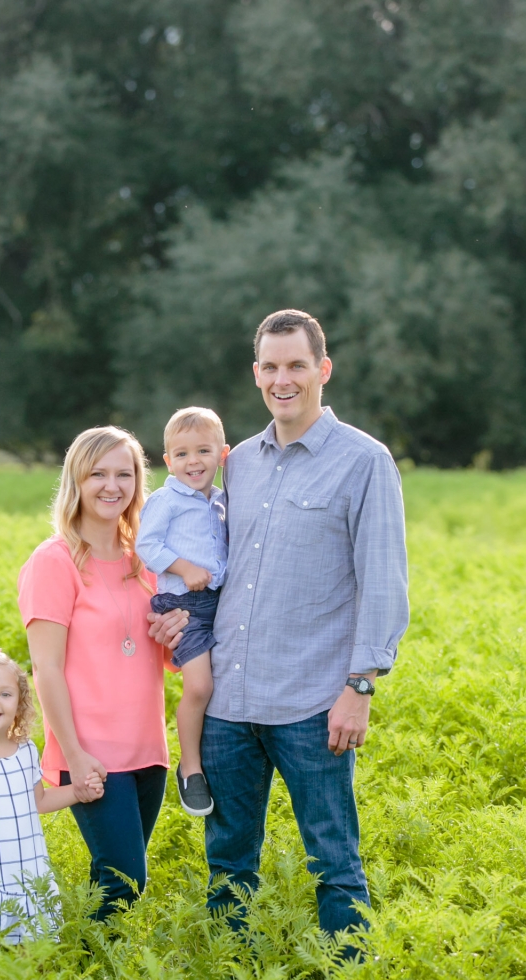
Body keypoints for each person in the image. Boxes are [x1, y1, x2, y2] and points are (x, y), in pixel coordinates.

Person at [149, 308, 410, 943]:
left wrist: (361, 687)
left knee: (335, 863)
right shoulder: (236, 463)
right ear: (256, 373)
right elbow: (195, 548)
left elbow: (383, 582)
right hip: (230, 704)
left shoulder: (364, 462)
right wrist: (175, 613)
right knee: (229, 862)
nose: (282, 378)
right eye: (270, 366)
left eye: (296, 365)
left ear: (323, 369)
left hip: (312, 705)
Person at [18, 427, 171, 922]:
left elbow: (162, 658)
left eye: (123, 473)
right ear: (76, 482)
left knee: (118, 879)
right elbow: (46, 669)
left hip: (148, 749)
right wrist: (75, 755)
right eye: (97, 474)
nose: (112, 485)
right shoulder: (54, 560)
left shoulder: (147, 559)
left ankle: (92, 974)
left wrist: (176, 633)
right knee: (124, 877)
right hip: (90, 752)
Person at [0, 648, 103, 944]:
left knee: (33, 958)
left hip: (27, 877)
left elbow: (38, 802)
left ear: (19, 704)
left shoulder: (25, 751)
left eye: (5, 694)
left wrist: (79, 792)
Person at [136, 407, 229, 817]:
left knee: (223, 686)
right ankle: (190, 767)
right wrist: (184, 568)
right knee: (199, 688)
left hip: (220, 603)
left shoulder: (222, 501)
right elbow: (147, 546)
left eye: (204, 451)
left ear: (222, 454)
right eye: (183, 454)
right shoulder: (166, 500)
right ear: (168, 461)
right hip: (183, 606)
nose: (194, 462)